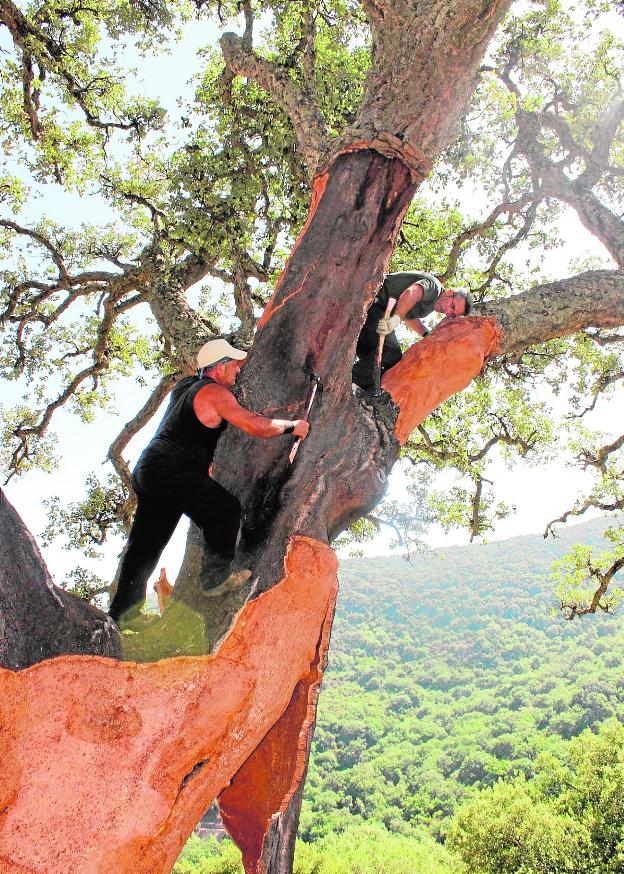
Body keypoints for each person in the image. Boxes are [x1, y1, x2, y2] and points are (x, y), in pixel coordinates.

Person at [108, 338, 310, 627]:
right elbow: (255, 425)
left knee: (146, 546)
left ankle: (121, 614)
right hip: (171, 471)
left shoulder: (184, 387)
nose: (238, 371)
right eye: (234, 366)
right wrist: (294, 426)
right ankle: (214, 578)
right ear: (220, 367)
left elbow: (187, 427)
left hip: (149, 470)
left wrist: (204, 460)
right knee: (225, 510)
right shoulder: (215, 393)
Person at [352, 271, 473, 392]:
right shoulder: (435, 288)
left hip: (374, 315)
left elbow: (408, 316)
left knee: (380, 361)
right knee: (391, 353)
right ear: (450, 293)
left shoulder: (430, 307)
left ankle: (357, 386)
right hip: (375, 301)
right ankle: (349, 383)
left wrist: (426, 334)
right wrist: (396, 318)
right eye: (452, 306)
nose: (447, 312)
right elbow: (411, 293)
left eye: (451, 314)